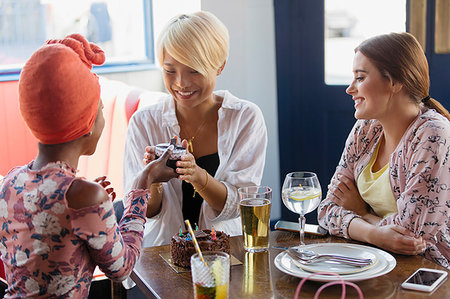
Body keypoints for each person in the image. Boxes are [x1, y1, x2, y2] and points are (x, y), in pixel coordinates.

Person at [0, 34, 177, 298]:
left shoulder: (10, 181)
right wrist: (143, 182)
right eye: (101, 109)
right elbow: (123, 267)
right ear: (87, 124)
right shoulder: (84, 196)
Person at [123, 11, 268, 247]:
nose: (180, 82)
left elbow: (240, 207)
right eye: (170, 70)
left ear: (219, 66)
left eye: (194, 70)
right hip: (160, 255)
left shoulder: (245, 118)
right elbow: (142, 213)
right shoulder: (144, 122)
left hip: (223, 252)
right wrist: (152, 179)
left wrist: (198, 176)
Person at [318, 32, 450, 269]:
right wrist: (374, 234)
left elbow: (409, 237)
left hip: (428, 270)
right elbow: (327, 209)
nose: (350, 89)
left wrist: (360, 212)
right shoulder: (366, 129)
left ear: (395, 81)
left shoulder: (434, 134)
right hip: (371, 259)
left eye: (360, 77)